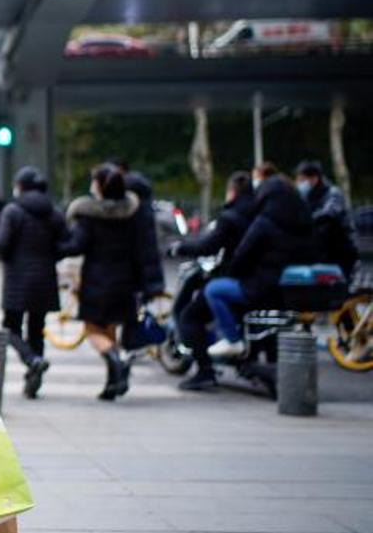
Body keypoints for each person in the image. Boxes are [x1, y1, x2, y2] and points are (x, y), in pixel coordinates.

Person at [59, 163, 144, 401]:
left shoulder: (90, 216)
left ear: (99, 187)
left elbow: (76, 246)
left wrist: (54, 247)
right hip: (125, 281)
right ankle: (112, 383)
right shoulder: (131, 214)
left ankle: (117, 360)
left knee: (92, 330)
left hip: (97, 281)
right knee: (110, 331)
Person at [204, 175, 314, 359]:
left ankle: (232, 340)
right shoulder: (304, 224)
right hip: (286, 292)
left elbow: (243, 254)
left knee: (213, 290)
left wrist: (234, 272)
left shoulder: (264, 223)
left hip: (261, 287)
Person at [168, 171, 255, 391]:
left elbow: (208, 246)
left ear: (232, 192)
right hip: (257, 278)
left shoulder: (231, 217)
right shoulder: (258, 213)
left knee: (191, 315)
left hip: (237, 278)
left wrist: (181, 247)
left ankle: (205, 370)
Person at [0, 166, 66, 399]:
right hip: (45, 279)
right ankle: (34, 379)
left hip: (18, 280)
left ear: (20, 187)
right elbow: (66, 244)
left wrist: (5, 256)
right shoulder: (53, 212)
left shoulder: (13, 211)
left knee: (10, 328)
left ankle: (32, 360)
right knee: (36, 329)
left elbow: (0, 243)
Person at [108, 158, 166, 351]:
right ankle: (130, 342)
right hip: (145, 259)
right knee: (135, 304)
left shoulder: (130, 198)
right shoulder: (141, 196)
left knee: (131, 306)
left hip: (136, 261)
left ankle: (134, 342)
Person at [295, 160, 358, 277]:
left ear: (314, 178)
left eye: (302, 179)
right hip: (322, 250)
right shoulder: (306, 196)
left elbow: (330, 213)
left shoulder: (333, 193)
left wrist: (307, 221)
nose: (299, 183)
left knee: (339, 286)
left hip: (341, 251)